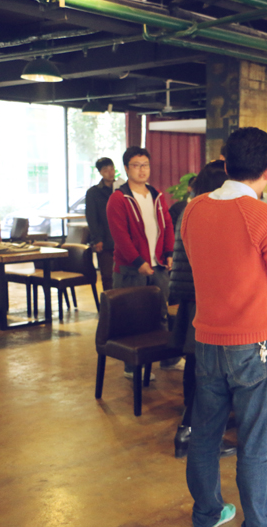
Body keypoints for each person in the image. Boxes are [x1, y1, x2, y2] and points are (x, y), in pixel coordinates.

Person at [182, 127, 267, 527]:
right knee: (256, 442)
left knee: (205, 434)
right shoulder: (264, 216)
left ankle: (207, 513)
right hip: (253, 345)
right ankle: (258, 521)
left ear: (225, 163)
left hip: (206, 341)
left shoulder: (193, 209)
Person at [168, 161, 237, 460]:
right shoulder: (208, 213)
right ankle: (194, 433)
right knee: (208, 373)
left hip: (190, 300)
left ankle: (188, 429)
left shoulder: (190, 210)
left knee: (196, 367)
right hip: (204, 302)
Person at [107, 146, 180, 379]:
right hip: (131, 268)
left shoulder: (157, 195)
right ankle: (133, 367)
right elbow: (120, 235)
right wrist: (138, 261)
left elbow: (167, 226)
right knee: (133, 317)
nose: (142, 170)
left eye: (145, 165)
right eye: (136, 165)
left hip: (158, 265)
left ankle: (168, 359)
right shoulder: (119, 198)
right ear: (126, 168)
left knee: (163, 313)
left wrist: (169, 253)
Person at [85, 157, 118, 291]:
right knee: (107, 274)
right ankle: (109, 301)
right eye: (105, 170)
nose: (110, 172)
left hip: (122, 237)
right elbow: (92, 217)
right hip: (104, 239)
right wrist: (97, 239)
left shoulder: (121, 188)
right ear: (100, 172)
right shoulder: (93, 192)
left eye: (112, 169)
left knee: (124, 273)